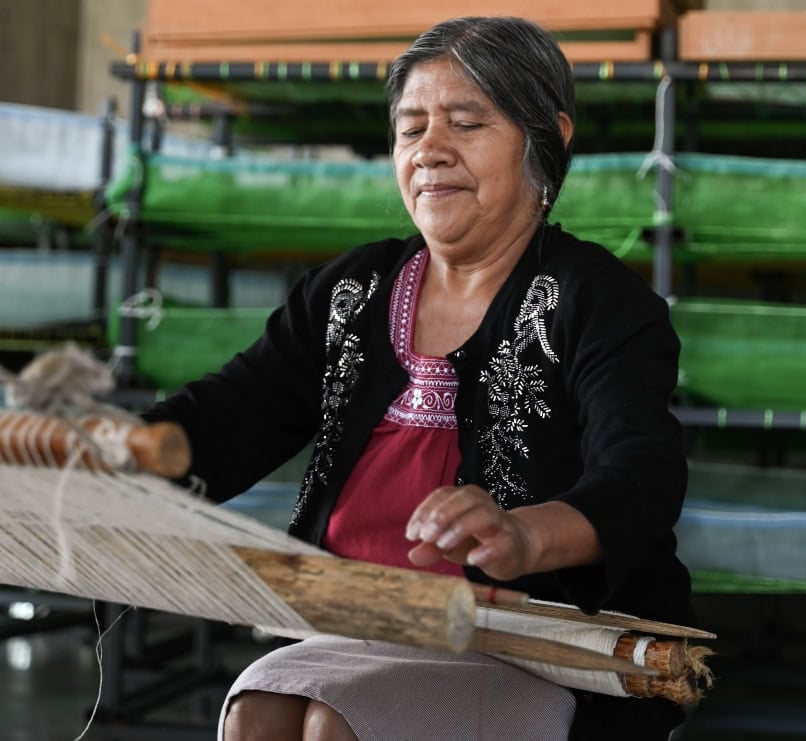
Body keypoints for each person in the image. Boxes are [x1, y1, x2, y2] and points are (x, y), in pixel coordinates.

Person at [142, 16, 695, 741]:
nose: (430, 150)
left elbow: (643, 473)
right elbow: (227, 417)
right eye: (410, 129)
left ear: (548, 137)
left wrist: (523, 537)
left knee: (332, 724)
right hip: (356, 625)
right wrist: (120, 449)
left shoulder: (598, 302)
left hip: (530, 643)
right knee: (258, 715)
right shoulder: (353, 291)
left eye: (466, 123)